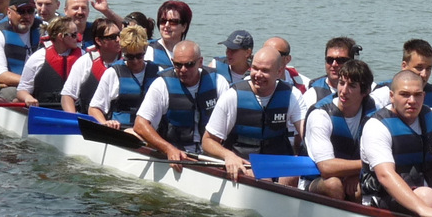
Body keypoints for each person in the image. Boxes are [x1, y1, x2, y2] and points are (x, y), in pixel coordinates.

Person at [359, 70, 432, 217]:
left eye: (417, 95)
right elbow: (385, 176)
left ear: (423, 96)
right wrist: (422, 209)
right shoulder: (376, 126)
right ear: (392, 96)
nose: (412, 100)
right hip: (386, 200)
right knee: (427, 195)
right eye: (405, 95)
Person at [201, 45, 303, 182]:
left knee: (292, 176)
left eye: (265, 70)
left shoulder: (292, 95)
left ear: (279, 72)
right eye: (255, 68)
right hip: (244, 162)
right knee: (263, 178)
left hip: (277, 161)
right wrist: (228, 156)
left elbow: (305, 133)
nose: (258, 75)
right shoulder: (233, 96)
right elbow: (207, 141)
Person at [134, 40, 230, 162]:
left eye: (189, 64)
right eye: (178, 65)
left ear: (200, 62)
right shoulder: (161, 85)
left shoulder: (218, 83)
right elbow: (140, 125)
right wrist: (168, 149)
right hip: (176, 154)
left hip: (211, 154)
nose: (183, 69)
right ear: (172, 62)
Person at [304, 59, 376, 201]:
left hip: (353, 176)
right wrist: (366, 166)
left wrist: (356, 174)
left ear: (366, 91)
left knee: (359, 189)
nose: (343, 91)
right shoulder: (321, 115)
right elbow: (326, 167)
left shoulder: (374, 113)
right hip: (316, 180)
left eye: (352, 86)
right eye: (341, 83)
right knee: (333, 184)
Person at [88, 25, 161, 129]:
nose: (135, 61)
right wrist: (105, 123)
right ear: (122, 51)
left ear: (145, 49)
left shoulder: (158, 73)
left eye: (139, 56)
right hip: (121, 132)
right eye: (130, 57)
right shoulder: (112, 73)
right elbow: (94, 108)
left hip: (149, 132)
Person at [0, 0, 42, 100]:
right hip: (10, 86)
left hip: (38, 84)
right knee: (12, 93)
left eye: (30, 11)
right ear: (9, 12)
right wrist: (32, 82)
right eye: (21, 11)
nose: (26, 16)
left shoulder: (43, 29)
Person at [16, 16, 82, 108]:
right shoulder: (38, 58)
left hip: (74, 110)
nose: (77, 38)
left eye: (77, 34)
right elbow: (22, 90)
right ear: (60, 37)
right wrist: (27, 97)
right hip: (44, 109)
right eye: (73, 35)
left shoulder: (83, 58)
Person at [60, 19, 123, 113]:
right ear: (99, 41)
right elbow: (67, 95)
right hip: (89, 118)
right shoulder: (84, 62)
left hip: (118, 118)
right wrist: (73, 117)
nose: (118, 40)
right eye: (112, 37)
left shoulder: (129, 60)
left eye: (119, 35)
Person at [370, 39, 432, 114]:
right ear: (404, 66)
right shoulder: (382, 96)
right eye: (419, 68)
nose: (424, 74)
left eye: (428, 69)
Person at [302, 37, 357, 110]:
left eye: (340, 60)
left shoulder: (366, 90)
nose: (334, 64)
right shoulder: (312, 95)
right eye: (330, 60)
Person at [147, 0, 192, 68]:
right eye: (163, 21)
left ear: (184, 27)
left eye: (173, 22)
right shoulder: (147, 50)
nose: (166, 25)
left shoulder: (191, 54)